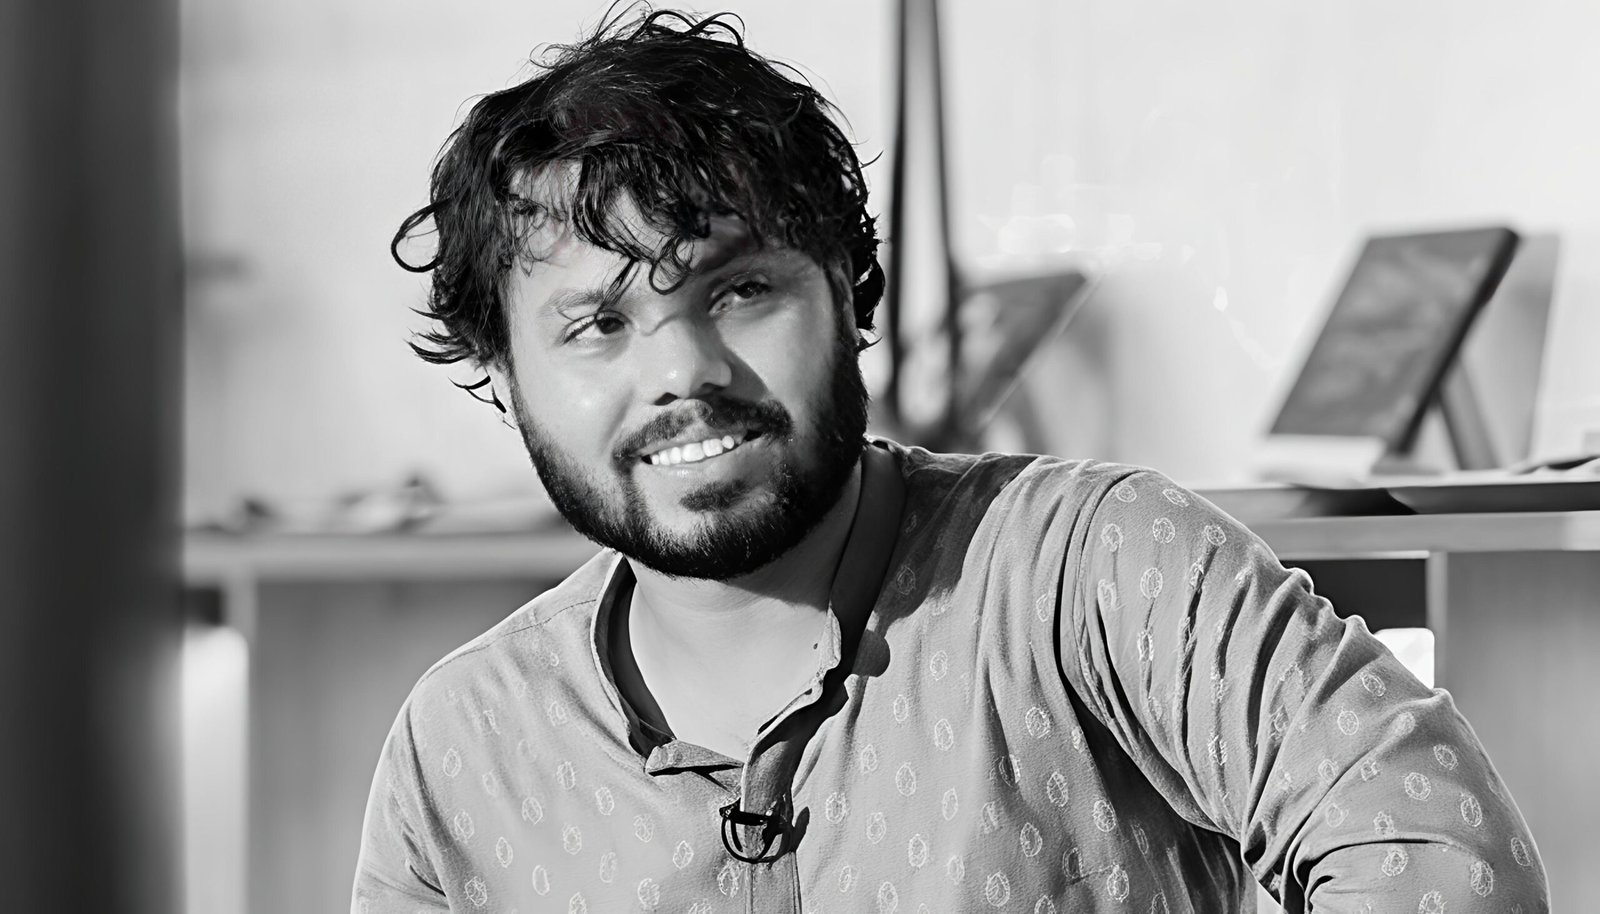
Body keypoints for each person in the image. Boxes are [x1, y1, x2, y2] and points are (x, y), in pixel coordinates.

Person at [352, 9, 1549, 913]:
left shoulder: (1095, 566)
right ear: (505, 375)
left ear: (849, 292)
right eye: (598, 323)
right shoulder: (463, 744)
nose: (683, 370)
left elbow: (1444, 856)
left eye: (741, 288)